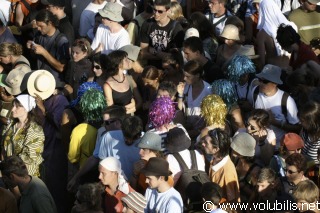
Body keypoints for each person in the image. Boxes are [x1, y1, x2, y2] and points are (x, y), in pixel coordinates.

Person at [28, 69, 69, 213]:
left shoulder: (60, 101)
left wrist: (43, 110)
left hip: (55, 149)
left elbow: (60, 124)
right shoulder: (37, 100)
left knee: (56, 186)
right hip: (42, 148)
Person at [254, 64, 301, 149]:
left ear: (275, 83)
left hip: (279, 147)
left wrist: (275, 122)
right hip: (259, 143)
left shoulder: (286, 100)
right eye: (260, 80)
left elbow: (297, 128)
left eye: (265, 81)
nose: (260, 83)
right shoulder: (255, 92)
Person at [2, 94, 44, 177]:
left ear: (26, 109)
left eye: (17, 107)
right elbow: (3, 148)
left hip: (25, 176)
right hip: (9, 174)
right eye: (13, 106)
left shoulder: (35, 130)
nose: (13, 109)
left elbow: (29, 159)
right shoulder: (11, 126)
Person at [26, 9, 70, 86]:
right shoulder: (38, 35)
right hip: (39, 80)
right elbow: (34, 57)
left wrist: (44, 52)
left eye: (41, 26)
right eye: (37, 25)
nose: (38, 28)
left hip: (54, 84)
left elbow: (61, 67)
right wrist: (31, 48)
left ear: (50, 23)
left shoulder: (61, 40)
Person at [68, 89, 106, 173]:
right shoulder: (108, 125)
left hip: (84, 171)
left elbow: (72, 158)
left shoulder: (79, 130)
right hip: (102, 172)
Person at [139, 0, 184, 68]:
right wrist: (163, 55)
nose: (156, 14)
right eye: (154, 10)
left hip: (169, 70)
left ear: (168, 11)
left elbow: (174, 58)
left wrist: (155, 52)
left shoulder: (176, 28)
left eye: (160, 11)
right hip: (151, 68)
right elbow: (143, 54)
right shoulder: (147, 24)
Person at [201, 128, 240, 203]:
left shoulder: (227, 172)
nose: (203, 144)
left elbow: (231, 201)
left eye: (206, 143)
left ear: (216, 149)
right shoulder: (215, 158)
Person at [177, 60, 212, 138]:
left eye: (188, 76)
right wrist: (180, 94)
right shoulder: (185, 87)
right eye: (184, 75)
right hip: (186, 127)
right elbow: (179, 109)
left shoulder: (209, 90)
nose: (184, 78)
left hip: (200, 131)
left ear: (197, 75)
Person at [101, 50, 142, 114]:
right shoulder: (108, 85)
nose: (129, 61)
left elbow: (139, 101)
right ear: (118, 64)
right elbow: (110, 109)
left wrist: (132, 109)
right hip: (118, 121)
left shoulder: (129, 78)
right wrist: (125, 112)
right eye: (125, 60)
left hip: (131, 119)